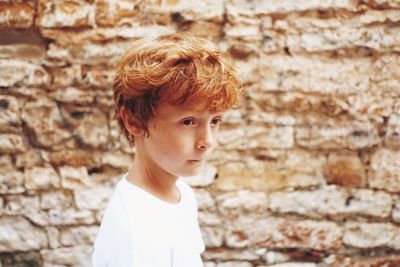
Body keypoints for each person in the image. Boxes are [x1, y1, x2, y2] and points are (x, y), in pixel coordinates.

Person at [92, 33, 241, 267]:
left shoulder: (180, 192)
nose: (207, 141)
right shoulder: (136, 237)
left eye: (215, 121)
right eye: (188, 122)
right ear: (134, 122)